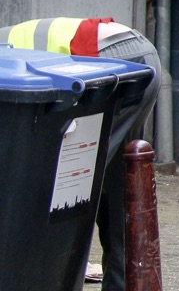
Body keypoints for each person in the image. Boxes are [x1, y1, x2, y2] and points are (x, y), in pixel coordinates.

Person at [1, 17, 161, 291]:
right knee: (115, 189)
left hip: (106, 63)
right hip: (137, 61)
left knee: (72, 185)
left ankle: (51, 270)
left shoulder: (7, 53)